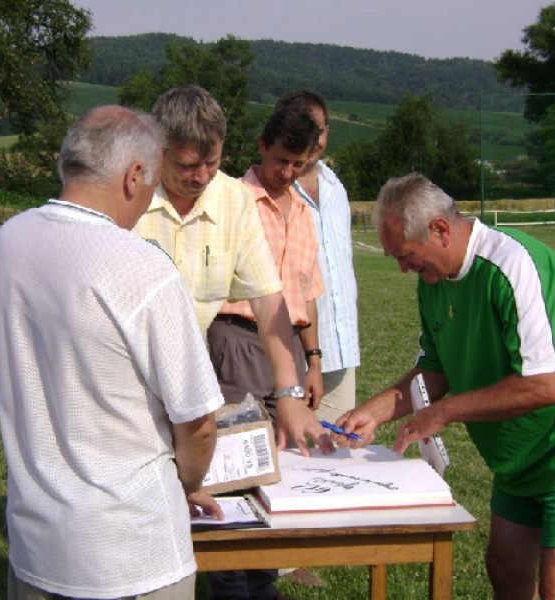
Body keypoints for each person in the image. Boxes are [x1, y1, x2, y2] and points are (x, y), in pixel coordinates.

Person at [336, 173, 555, 600]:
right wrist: (375, 410)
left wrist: (442, 412)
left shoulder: (513, 264)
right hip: (517, 459)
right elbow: (436, 369)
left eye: (406, 255)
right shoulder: (433, 282)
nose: (404, 268)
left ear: (440, 229)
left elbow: (543, 387)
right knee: (505, 571)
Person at [0, 105, 225, 600]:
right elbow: (197, 422)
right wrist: (189, 481)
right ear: (134, 176)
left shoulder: (3, 245)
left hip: (37, 546)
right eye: (153, 183)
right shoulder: (142, 268)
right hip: (133, 553)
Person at [132, 85, 332, 456]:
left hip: (190, 381)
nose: (202, 176)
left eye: (212, 163)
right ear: (157, 150)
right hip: (126, 381)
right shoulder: (129, 195)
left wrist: (289, 393)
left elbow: (270, 300)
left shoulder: (234, 200)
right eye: (188, 166)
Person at [205, 105, 324, 600]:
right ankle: (228, 583)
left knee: (275, 469)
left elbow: (306, 292)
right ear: (260, 146)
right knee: (231, 467)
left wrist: (312, 360)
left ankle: (263, 581)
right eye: (281, 160)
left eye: (298, 164)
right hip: (235, 338)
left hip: (287, 353)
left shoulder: (303, 211)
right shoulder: (231, 199)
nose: (288, 173)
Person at [275, 90, 360, 424]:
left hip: (342, 351)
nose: (314, 138)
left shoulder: (335, 187)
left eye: (320, 129)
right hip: (294, 357)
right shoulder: (271, 192)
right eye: (305, 128)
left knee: (335, 457)